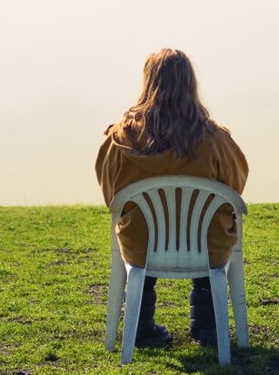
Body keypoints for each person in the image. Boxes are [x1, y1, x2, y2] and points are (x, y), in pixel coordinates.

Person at [95, 48, 248, 347]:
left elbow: (110, 193)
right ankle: (207, 328)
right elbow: (235, 187)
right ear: (190, 85)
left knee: (143, 227)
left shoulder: (120, 138)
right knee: (208, 228)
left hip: (142, 244)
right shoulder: (215, 138)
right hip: (207, 245)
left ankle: (139, 327)